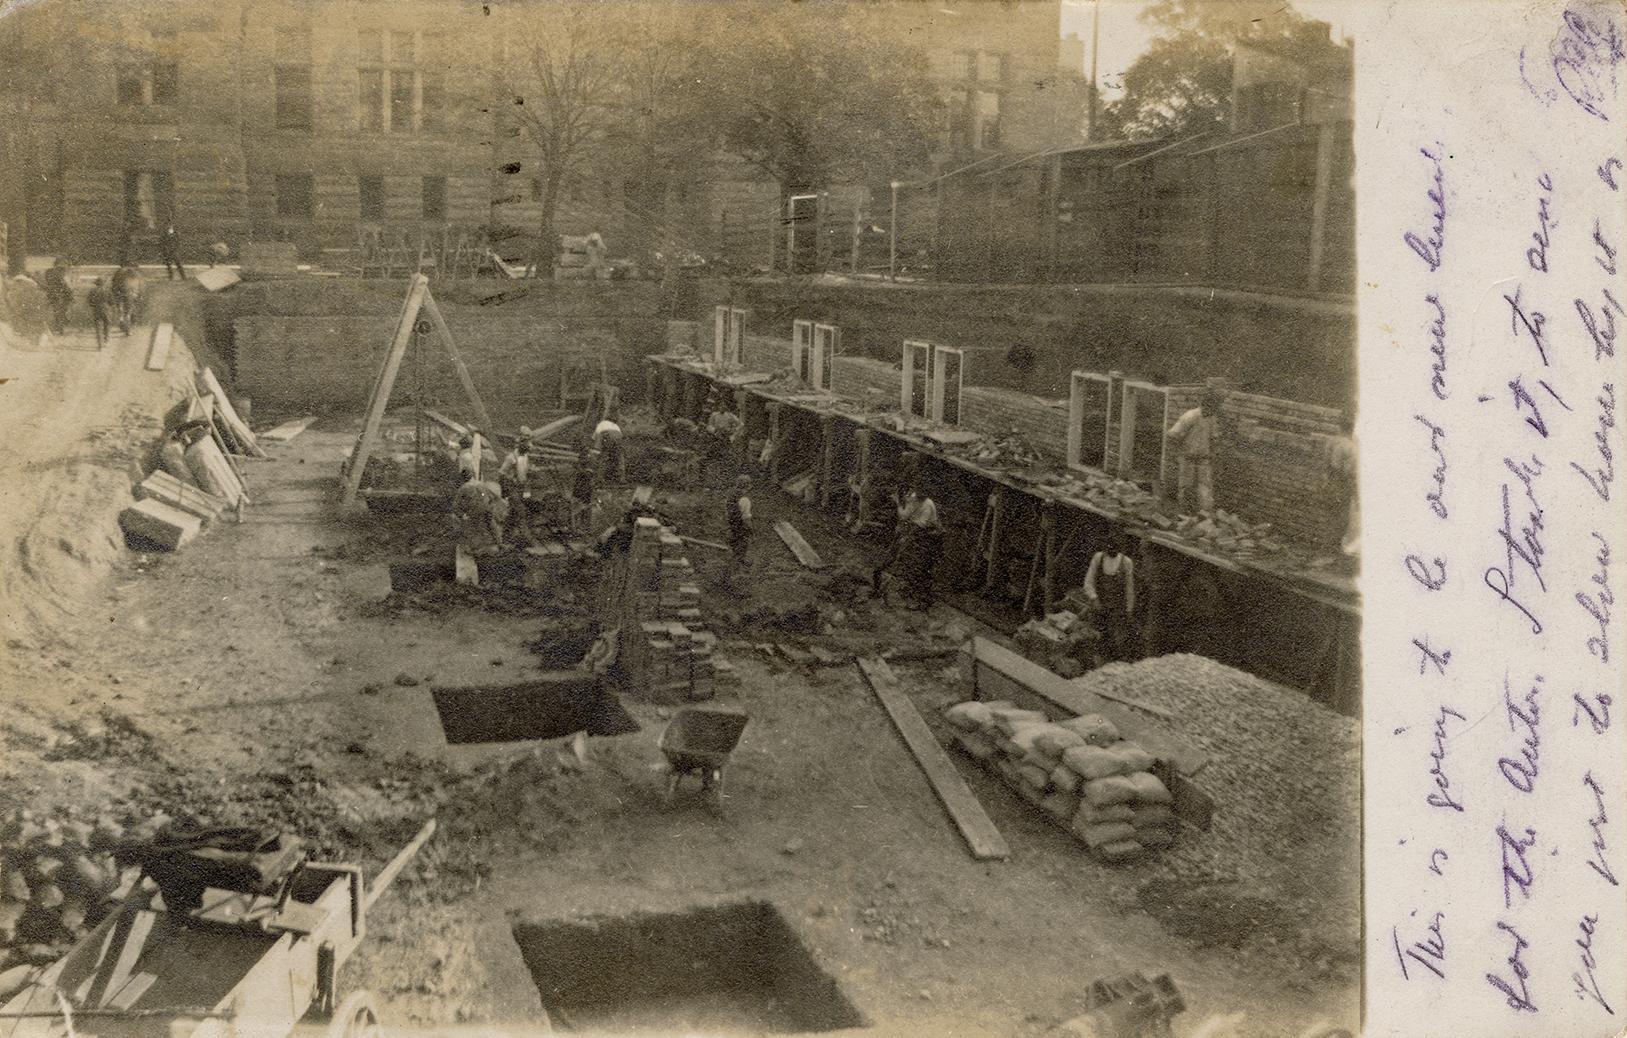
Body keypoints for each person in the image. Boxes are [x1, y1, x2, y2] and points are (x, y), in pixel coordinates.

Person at [1082, 535, 1138, 663]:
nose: (1111, 550)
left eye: (1115, 548)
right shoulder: (1098, 558)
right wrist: (1094, 598)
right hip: (1099, 606)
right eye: (1109, 548)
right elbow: (1088, 582)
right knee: (1095, 636)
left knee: (1115, 638)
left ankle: (1110, 663)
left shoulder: (1126, 562)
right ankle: (1093, 663)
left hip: (1116, 608)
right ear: (1105, 547)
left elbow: (1129, 588)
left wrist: (1129, 609)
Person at [1166, 389, 1223, 514]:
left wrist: (1215, 452)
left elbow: (1214, 437)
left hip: (1203, 458)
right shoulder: (1190, 416)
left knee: (1205, 487)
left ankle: (1205, 515)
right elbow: (1172, 435)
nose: (1213, 411)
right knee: (1186, 486)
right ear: (1205, 405)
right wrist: (1179, 452)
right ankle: (1183, 513)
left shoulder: (1212, 418)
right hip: (1188, 458)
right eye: (1211, 408)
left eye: (1215, 409)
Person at [1323, 411, 1359, 564]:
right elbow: (1347, 472)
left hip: (1330, 482)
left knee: (1332, 516)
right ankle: (1335, 552)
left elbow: (1327, 465)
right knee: (1342, 518)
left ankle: (1329, 549)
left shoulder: (1331, 441)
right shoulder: (1350, 447)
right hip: (1341, 484)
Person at [496, 433, 538, 547]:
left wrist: (531, 471)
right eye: (527, 447)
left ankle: (505, 537)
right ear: (521, 446)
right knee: (521, 511)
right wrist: (507, 489)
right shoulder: (511, 458)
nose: (528, 450)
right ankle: (527, 539)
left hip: (522, 488)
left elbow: (525, 471)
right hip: (512, 488)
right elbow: (501, 474)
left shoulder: (525, 456)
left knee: (513, 513)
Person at [453, 476, 508, 552]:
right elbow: (491, 496)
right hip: (486, 508)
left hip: (474, 510)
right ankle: (499, 543)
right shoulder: (481, 484)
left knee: (470, 526)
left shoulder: (464, 487)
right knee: (491, 524)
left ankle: (473, 547)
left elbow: (456, 504)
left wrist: (462, 514)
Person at [725, 475, 753, 577]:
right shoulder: (745, 500)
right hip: (741, 529)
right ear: (748, 486)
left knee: (733, 552)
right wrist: (751, 530)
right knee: (741, 552)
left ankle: (730, 575)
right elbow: (746, 518)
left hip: (731, 528)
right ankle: (737, 575)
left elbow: (728, 514)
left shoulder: (730, 497)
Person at [593, 412, 625, 485]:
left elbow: (595, 437)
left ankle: (600, 479)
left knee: (603, 456)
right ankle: (621, 478)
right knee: (619, 457)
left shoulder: (602, 423)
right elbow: (620, 436)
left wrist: (596, 450)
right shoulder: (616, 425)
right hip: (618, 436)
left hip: (607, 434)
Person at [41, 259, 71, 335]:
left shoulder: (48, 272)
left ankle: (58, 327)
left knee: (57, 312)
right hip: (58, 295)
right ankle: (60, 329)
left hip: (52, 294)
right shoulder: (58, 274)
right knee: (60, 312)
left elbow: (47, 282)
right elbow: (64, 285)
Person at [86, 277, 112, 348]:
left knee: (98, 326)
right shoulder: (107, 290)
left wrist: (94, 306)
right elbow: (111, 302)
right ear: (103, 283)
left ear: (96, 284)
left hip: (96, 309)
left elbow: (89, 301)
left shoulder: (92, 291)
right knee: (107, 324)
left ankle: (99, 343)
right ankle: (106, 340)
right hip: (106, 309)